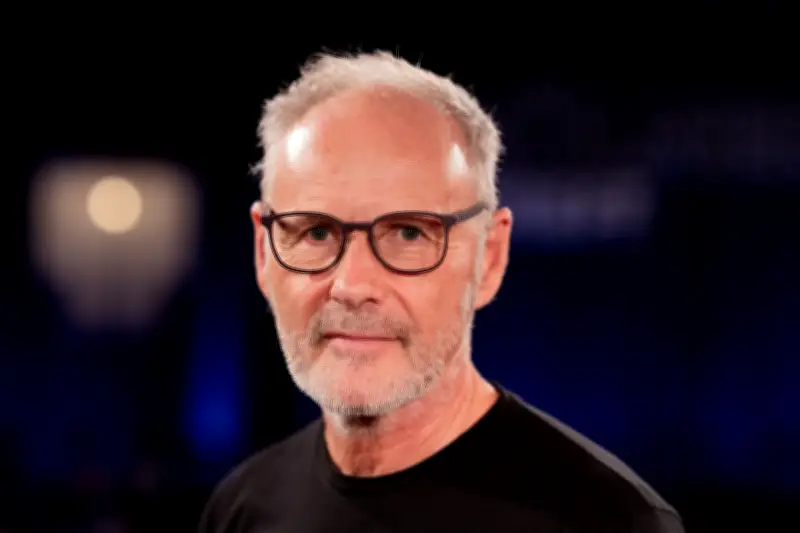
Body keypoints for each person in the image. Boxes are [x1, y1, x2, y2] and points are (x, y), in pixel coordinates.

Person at [198, 51, 684, 533]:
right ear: (263, 252)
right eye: (316, 232)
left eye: (408, 233)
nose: (352, 286)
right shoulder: (242, 508)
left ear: (489, 258)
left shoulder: (609, 521)